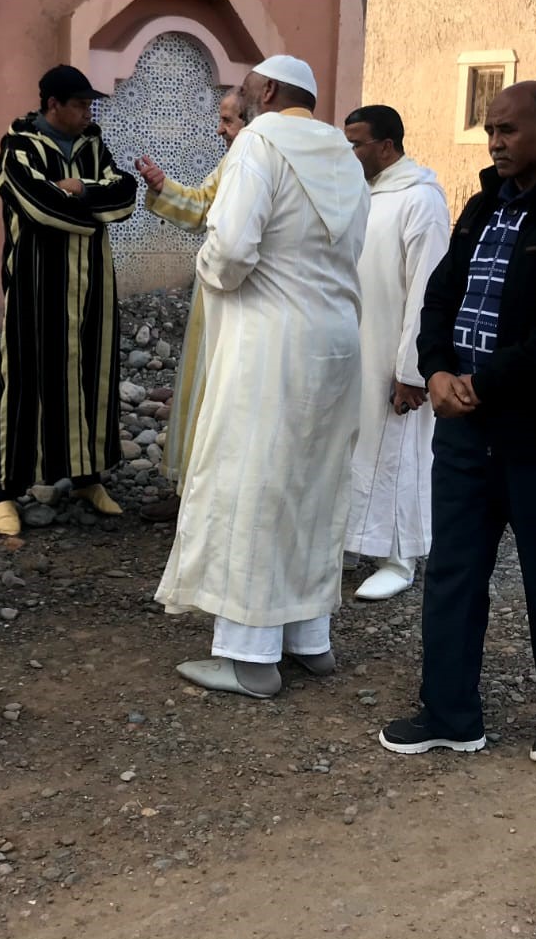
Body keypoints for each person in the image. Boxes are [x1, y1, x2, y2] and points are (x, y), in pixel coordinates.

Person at [378, 81, 536, 767]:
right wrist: (435, 369)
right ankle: (450, 713)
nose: (494, 142)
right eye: (490, 130)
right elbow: (441, 299)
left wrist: (481, 384)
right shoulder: (480, 208)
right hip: (465, 428)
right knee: (454, 572)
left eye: (508, 130)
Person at [155, 55, 370, 698]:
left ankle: (249, 655)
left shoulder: (259, 142)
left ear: (269, 91)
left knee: (250, 483)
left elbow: (230, 251)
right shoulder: (343, 155)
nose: (240, 96)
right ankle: (308, 638)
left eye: (246, 87)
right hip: (335, 342)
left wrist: (208, 267)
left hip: (271, 343)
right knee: (310, 486)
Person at [0, 65, 139, 536]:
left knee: (92, 377)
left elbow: (126, 195)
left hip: (94, 285)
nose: (87, 112)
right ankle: (5, 490)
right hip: (37, 284)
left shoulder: (93, 145)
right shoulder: (18, 148)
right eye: (79, 104)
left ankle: (85, 477)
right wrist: (93, 209)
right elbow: (38, 206)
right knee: (26, 382)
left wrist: (84, 190)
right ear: (53, 104)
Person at [341, 104, 450, 600]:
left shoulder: (420, 199)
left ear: (386, 146)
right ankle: (358, 539)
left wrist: (412, 370)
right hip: (357, 346)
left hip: (394, 354)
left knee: (400, 452)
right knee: (357, 445)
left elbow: (428, 291)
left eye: (356, 143)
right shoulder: (364, 194)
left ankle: (401, 558)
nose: (349, 152)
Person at [133, 89, 249, 524]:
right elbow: (203, 206)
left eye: (229, 121)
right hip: (214, 297)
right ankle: (190, 491)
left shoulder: (268, 164)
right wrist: (163, 187)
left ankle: (221, 503)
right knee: (200, 386)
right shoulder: (233, 162)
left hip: (251, 302)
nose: (220, 129)